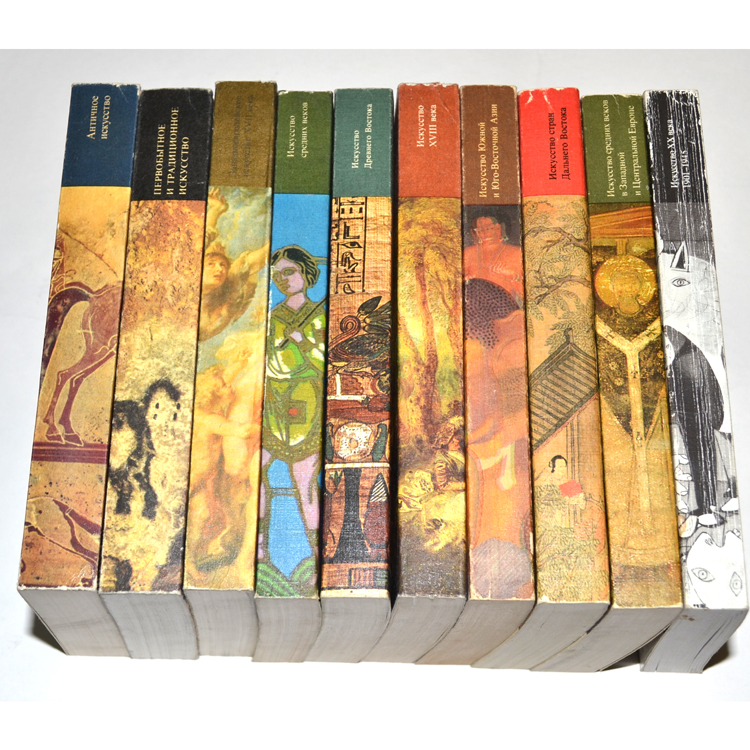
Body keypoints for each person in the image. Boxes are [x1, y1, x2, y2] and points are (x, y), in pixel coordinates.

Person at [258, 245, 326, 586]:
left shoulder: (319, 315)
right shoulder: (272, 315)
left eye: (290, 272)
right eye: (277, 275)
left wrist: (305, 342)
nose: (283, 279)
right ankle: (258, 553)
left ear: (305, 273)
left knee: (304, 480)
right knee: (256, 471)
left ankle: (316, 559)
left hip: (306, 398)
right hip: (273, 398)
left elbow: (328, 360)